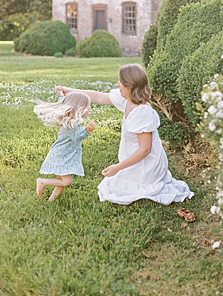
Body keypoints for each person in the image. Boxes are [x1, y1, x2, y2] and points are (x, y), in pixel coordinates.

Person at [56, 64, 194, 205]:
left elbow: (145, 149)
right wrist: (69, 92)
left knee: (119, 187)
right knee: (115, 184)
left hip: (147, 165)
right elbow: (98, 96)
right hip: (132, 157)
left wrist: (118, 167)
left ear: (131, 86)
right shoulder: (127, 99)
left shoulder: (142, 112)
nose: (118, 84)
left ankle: (144, 178)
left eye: (121, 82)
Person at [34, 92, 97, 201]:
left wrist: (61, 95)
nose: (89, 108)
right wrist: (88, 130)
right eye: (87, 107)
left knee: (62, 181)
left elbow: (66, 103)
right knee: (67, 181)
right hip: (61, 156)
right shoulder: (71, 125)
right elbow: (77, 137)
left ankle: (51, 201)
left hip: (63, 155)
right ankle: (42, 181)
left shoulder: (72, 120)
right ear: (78, 109)